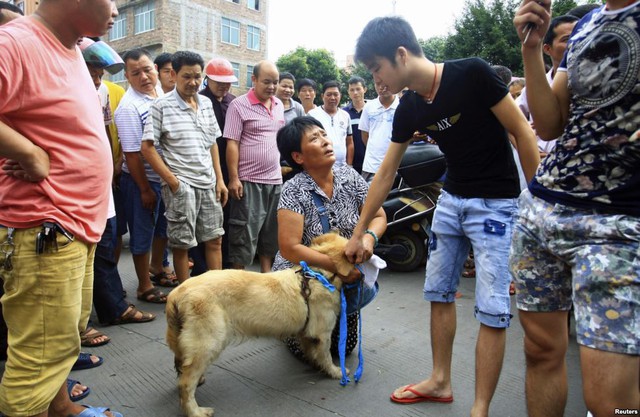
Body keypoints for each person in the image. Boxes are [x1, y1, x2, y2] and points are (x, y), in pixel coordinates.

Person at [345, 16, 539, 417]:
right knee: (437, 292)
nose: (376, 79)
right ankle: (440, 380)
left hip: (497, 204)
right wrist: (358, 230)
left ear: (401, 54)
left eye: (377, 68)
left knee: (491, 307)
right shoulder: (410, 108)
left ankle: (480, 407)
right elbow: (384, 174)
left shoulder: (472, 74)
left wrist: (537, 205)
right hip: (450, 200)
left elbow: (522, 132)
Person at [512, 1, 639, 415]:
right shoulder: (586, 24)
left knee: (609, 402)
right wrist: (532, 49)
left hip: (618, 221)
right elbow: (549, 124)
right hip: (543, 209)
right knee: (541, 352)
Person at [0, 0, 124, 415]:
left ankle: (63, 410)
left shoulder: (70, 49)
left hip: (75, 226)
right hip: (45, 226)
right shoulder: (15, 43)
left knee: (61, 342)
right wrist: (29, 154)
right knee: (38, 359)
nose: (117, 11)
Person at [274, 115, 386, 359]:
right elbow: (290, 248)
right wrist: (339, 267)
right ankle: (290, 325)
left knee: (344, 348)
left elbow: (378, 216)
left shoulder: (349, 176)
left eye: (323, 134)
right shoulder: (293, 189)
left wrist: (368, 239)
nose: (325, 141)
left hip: (345, 273)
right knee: (308, 351)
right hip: (306, 278)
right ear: (298, 157)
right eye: (315, 138)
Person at [141, 51, 227, 283]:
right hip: (182, 186)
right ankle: (186, 295)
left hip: (208, 183)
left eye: (198, 77)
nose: (193, 82)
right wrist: (173, 182)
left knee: (215, 239)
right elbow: (147, 147)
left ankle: (216, 291)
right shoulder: (161, 105)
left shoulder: (207, 103)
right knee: (182, 245)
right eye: (187, 76)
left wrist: (219, 180)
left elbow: (212, 143)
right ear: (173, 74)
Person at [115, 48, 176, 304]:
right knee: (142, 235)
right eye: (135, 73)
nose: (144, 77)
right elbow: (132, 155)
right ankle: (144, 286)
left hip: (164, 179)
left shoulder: (161, 94)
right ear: (127, 77)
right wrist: (144, 189)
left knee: (164, 229)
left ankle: (157, 268)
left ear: (156, 69)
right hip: (142, 181)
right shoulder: (128, 107)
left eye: (147, 69)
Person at [224, 60, 285, 272]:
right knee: (244, 235)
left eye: (275, 82)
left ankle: (267, 277)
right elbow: (232, 142)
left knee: (270, 234)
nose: (271, 87)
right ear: (254, 79)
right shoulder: (238, 105)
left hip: (275, 182)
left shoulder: (278, 105)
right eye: (266, 82)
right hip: (249, 182)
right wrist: (234, 178)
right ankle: (238, 281)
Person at [189, 57, 238, 274]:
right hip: (203, 169)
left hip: (229, 171)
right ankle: (200, 268)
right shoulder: (198, 101)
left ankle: (223, 265)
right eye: (219, 81)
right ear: (207, 79)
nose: (224, 86)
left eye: (227, 82)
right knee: (201, 222)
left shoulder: (233, 102)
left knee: (225, 220)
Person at [516, 15, 579, 158]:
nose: (575, 43)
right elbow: (511, 124)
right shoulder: (534, 88)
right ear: (547, 48)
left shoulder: (594, 82)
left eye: (580, 36)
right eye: (566, 39)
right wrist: (529, 147)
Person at [360, 81, 399, 182]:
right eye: (378, 84)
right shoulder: (369, 106)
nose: (382, 87)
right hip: (372, 165)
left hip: (398, 165)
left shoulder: (402, 106)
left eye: (386, 84)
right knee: (369, 196)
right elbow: (365, 135)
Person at [308, 81, 353, 167]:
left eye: (336, 94)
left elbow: (349, 142)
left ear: (340, 96)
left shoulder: (345, 115)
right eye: (329, 94)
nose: (332, 98)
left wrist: (349, 165)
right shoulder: (312, 115)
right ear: (322, 96)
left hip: (342, 167)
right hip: (320, 167)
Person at [342, 76, 368, 174]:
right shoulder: (343, 113)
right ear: (348, 92)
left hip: (371, 160)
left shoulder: (372, 110)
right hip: (351, 162)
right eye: (352, 90)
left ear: (364, 89)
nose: (355, 92)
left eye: (358, 89)